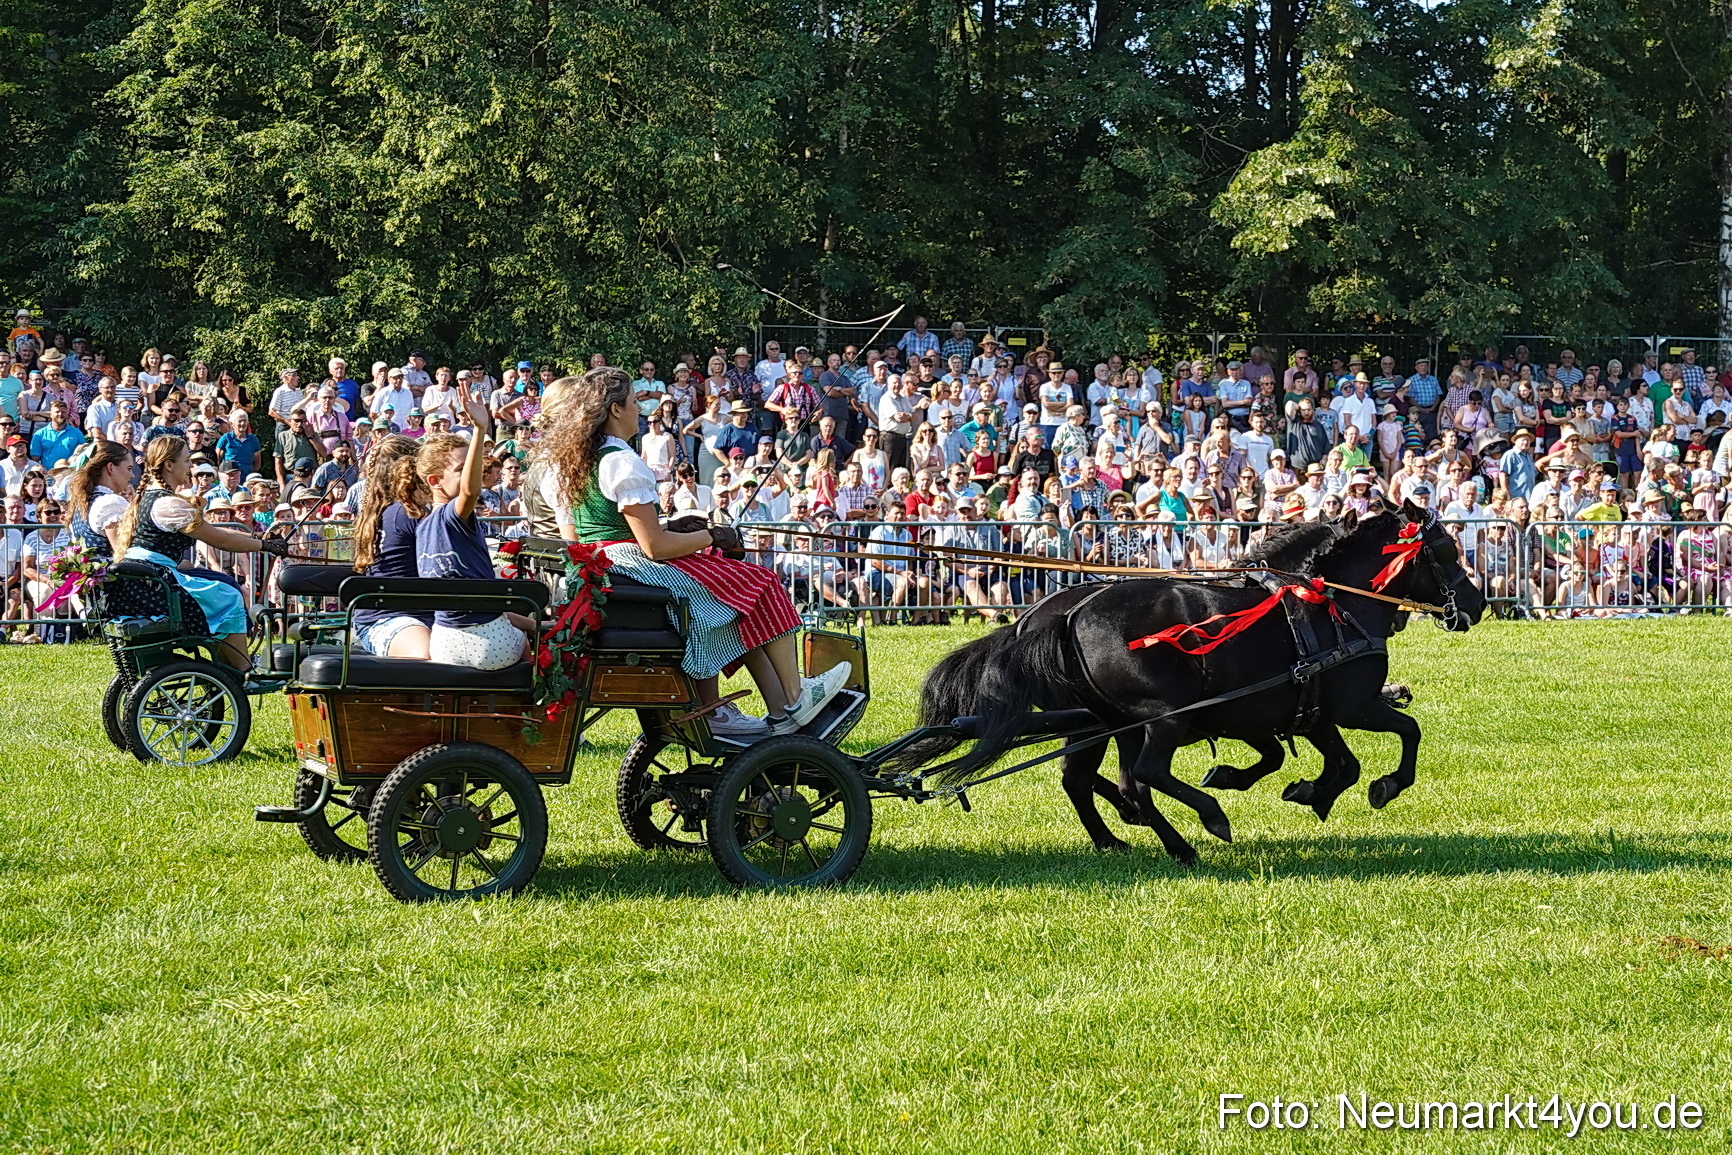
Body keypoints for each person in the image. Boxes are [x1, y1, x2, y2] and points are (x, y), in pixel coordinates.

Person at [545, 367, 851, 738]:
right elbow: (655, 548)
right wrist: (711, 535)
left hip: (611, 564)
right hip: (632, 567)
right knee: (762, 580)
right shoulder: (621, 462)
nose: (639, 412)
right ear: (614, 410)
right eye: (633, 403)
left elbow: (620, 529)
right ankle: (795, 696)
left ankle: (782, 705)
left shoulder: (585, 459)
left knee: (741, 592)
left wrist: (675, 526)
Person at [113, 436, 289, 671]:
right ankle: (242, 666)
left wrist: (258, 537)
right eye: (187, 460)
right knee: (229, 594)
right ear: (169, 465)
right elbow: (219, 538)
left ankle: (224, 666)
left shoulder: (150, 498)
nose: (190, 467)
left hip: (147, 580)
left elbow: (215, 529)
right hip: (154, 583)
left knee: (222, 588)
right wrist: (263, 546)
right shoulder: (169, 505)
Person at [349, 435, 431, 658]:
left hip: (398, 616)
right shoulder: (409, 513)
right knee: (429, 653)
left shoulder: (378, 513)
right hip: (390, 620)